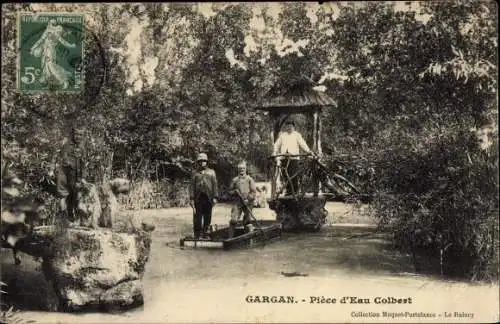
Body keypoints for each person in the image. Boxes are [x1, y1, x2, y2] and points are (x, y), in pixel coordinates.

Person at [54, 127, 88, 224]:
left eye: (81, 135)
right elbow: (65, 160)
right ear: (73, 135)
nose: (78, 137)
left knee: (75, 196)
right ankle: (63, 217)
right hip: (64, 173)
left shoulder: (82, 148)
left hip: (75, 175)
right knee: (63, 194)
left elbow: (83, 164)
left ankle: (73, 217)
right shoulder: (67, 145)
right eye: (77, 134)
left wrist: (83, 177)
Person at [272, 118, 314, 196]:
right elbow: (276, 145)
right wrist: (275, 152)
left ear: (293, 127)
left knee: (294, 175)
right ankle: (288, 191)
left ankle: (295, 192)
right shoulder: (282, 135)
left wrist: (308, 151)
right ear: (285, 127)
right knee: (285, 175)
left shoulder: (297, 135)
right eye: (287, 126)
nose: (289, 128)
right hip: (284, 158)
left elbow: (303, 144)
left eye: (291, 126)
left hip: (294, 159)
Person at [189, 153, 218, 239]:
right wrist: (191, 199)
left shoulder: (211, 172)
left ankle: (206, 233)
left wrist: (215, 197)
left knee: (207, 216)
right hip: (198, 198)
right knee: (197, 217)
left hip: (209, 198)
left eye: (204, 161)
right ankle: (197, 234)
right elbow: (191, 186)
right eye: (201, 161)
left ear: (206, 162)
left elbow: (215, 185)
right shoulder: (194, 173)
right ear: (198, 162)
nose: (202, 163)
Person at [228, 161, 257, 226]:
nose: (242, 170)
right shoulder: (234, 180)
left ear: (245, 169)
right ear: (238, 169)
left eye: (243, 168)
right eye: (240, 168)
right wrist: (234, 192)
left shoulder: (250, 179)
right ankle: (231, 234)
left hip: (248, 202)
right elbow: (229, 191)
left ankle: (247, 233)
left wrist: (248, 199)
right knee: (234, 221)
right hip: (238, 202)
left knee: (248, 221)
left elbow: (253, 192)